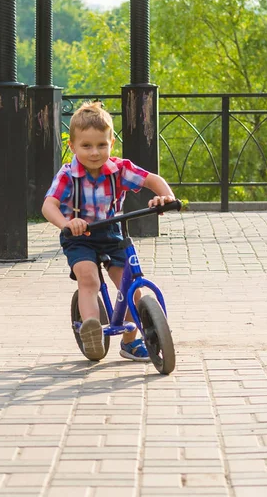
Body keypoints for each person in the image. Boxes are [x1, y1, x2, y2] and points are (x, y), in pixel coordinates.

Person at [42, 101, 176, 362]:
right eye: (86, 146)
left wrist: (165, 197)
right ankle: (92, 329)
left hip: (112, 233)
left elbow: (153, 180)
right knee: (88, 278)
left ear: (111, 143)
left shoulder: (119, 169)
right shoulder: (68, 175)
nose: (95, 152)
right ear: (72, 146)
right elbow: (49, 205)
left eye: (101, 145)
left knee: (130, 289)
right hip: (80, 236)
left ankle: (130, 342)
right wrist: (67, 224)